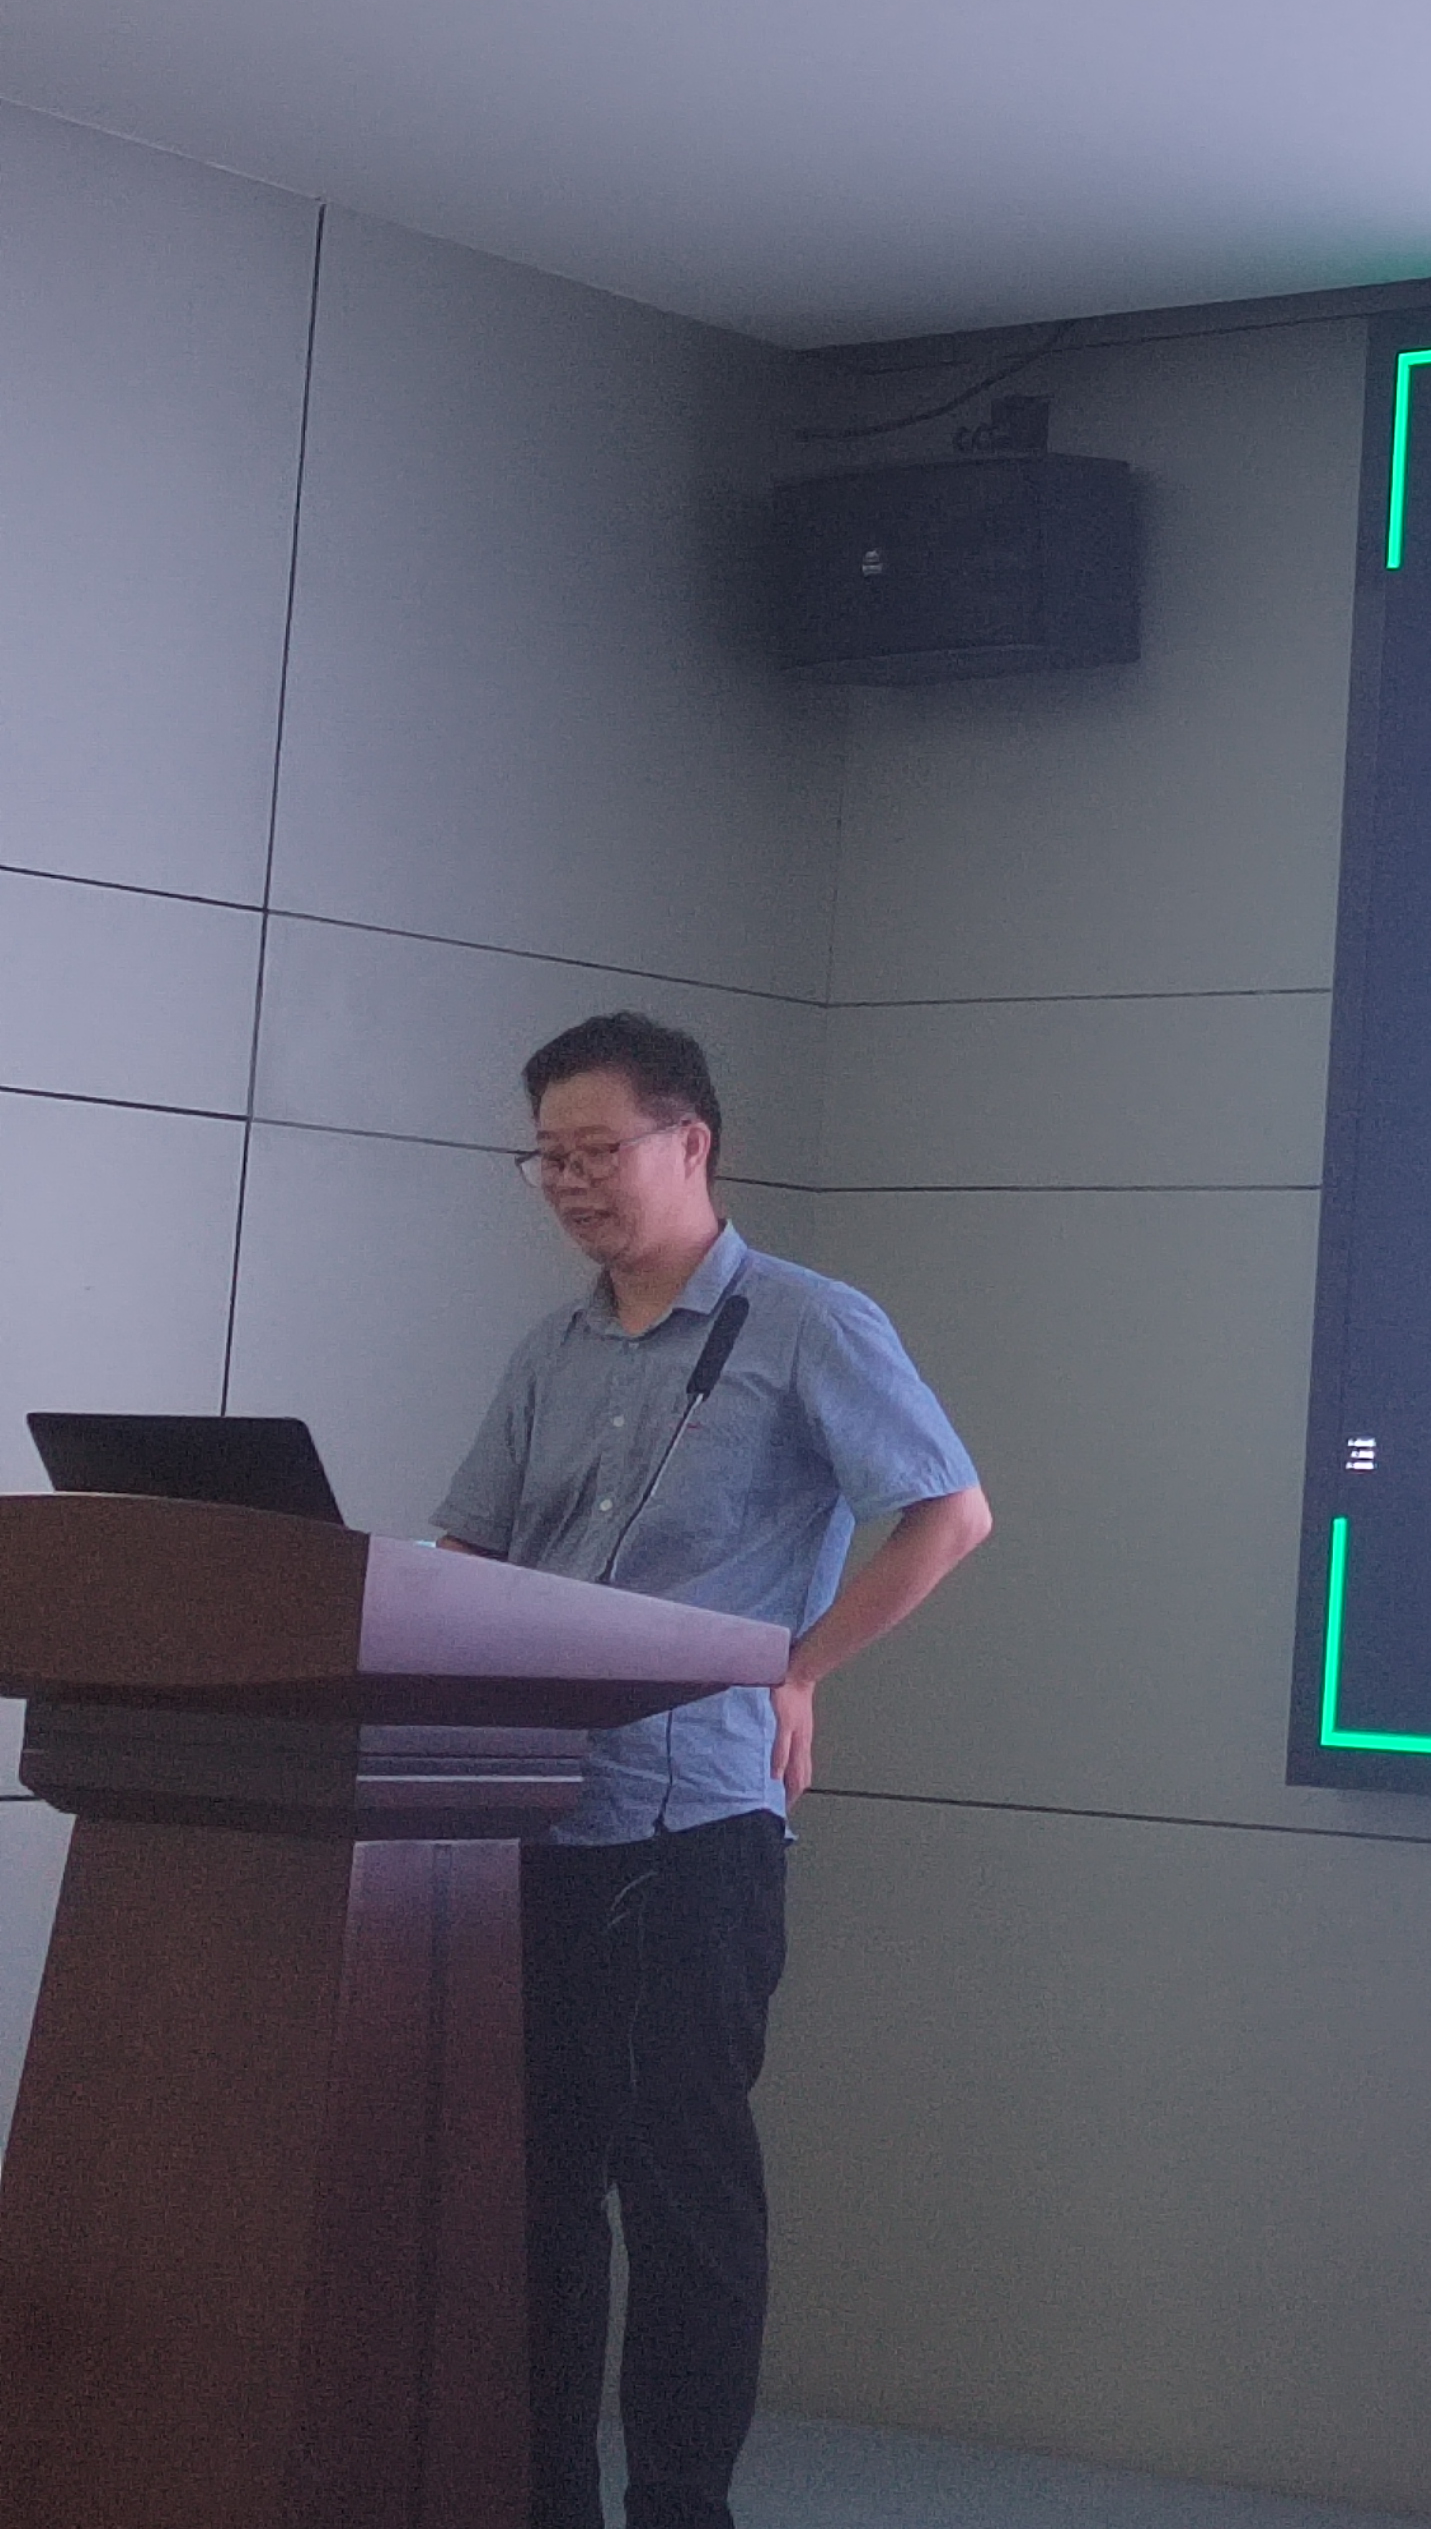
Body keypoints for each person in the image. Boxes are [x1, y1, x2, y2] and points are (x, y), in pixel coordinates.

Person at [436, 1012, 990, 2529]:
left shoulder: (806, 1322)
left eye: (597, 1151)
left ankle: (682, 2504)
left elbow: (949, 1513)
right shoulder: (549, 1351)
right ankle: (544, 2496)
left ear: (693, 1142)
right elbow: (470, 1552)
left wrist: (797, 1668)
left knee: (683, 2193)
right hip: (529, 1817)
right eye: (547, 1158)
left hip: (692, 1827)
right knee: (540, 2195)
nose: (568, 1183)